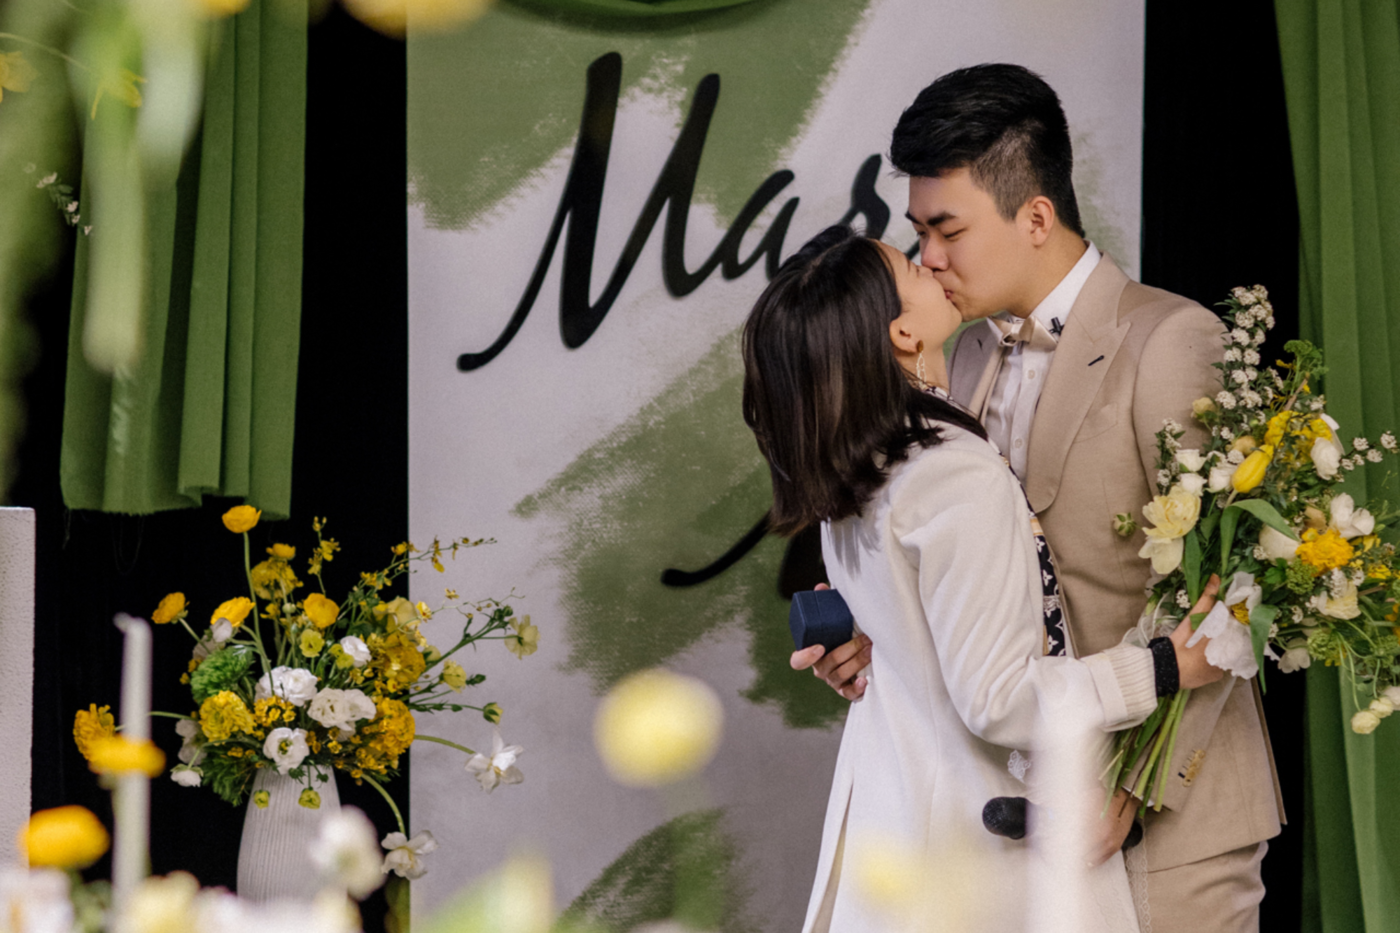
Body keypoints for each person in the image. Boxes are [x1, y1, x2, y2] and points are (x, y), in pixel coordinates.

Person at [791, 64, 1283, 932]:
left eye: (947, 230)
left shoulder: (1172, 339)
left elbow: (1232, 590)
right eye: (919, 234)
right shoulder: (962, 352)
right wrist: (881, 634)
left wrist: (1129, 788)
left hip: (1168, 822)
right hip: (1022, 825)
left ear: (1036, 217)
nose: (929, 257)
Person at [744, 224, 1223, 933]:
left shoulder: (855, 469)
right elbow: (999, 700)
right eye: (913, 265)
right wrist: (1162, 667)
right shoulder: (949, 471)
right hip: (970, 857)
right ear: (903, 332)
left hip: (897, 827)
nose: (933, 262)